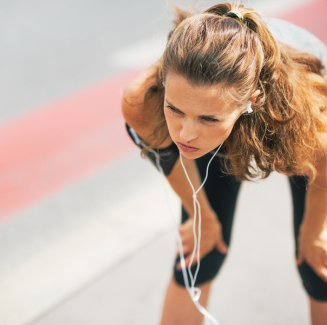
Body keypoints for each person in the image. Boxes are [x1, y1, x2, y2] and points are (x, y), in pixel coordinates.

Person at [121, 2, 327, 325]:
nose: (185, 133)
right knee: (201, 254)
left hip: (297, 114)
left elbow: (324, 168)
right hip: (230, 109)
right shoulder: (143, 99)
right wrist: (202, 214)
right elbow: (166, 154)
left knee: (318, 267)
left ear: (252, 101)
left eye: (207, 118)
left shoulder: (305, 111)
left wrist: (313, 232)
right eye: (174, 110)